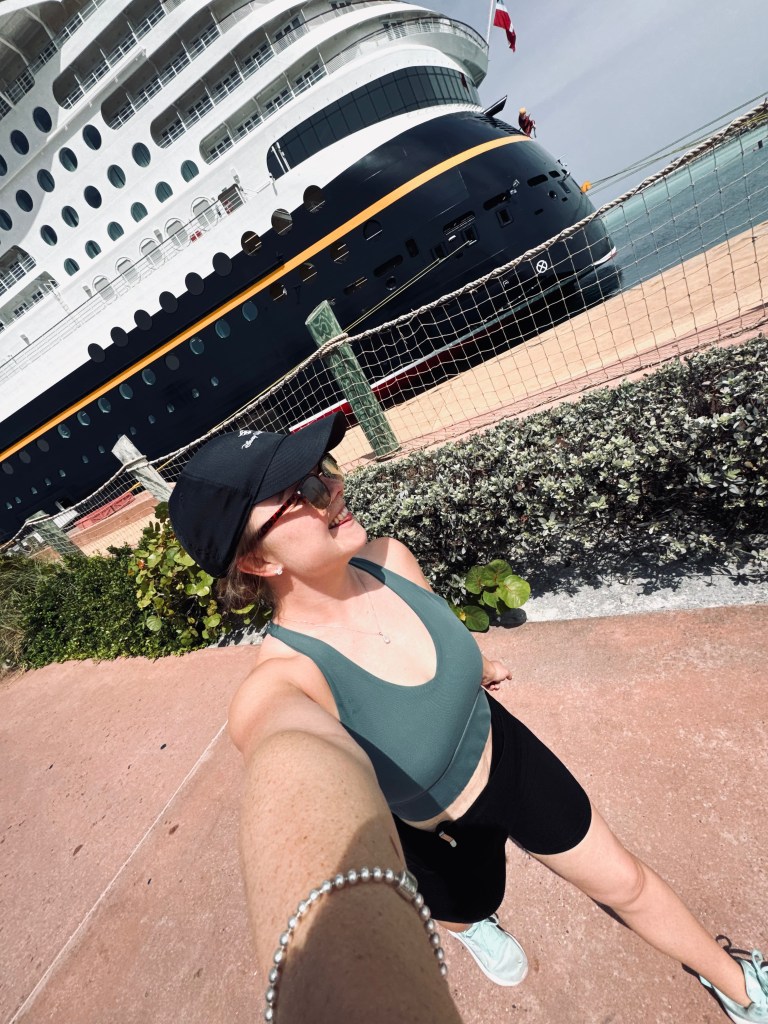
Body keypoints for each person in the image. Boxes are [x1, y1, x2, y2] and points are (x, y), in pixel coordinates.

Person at [168, 412, 767, 1024]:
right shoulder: (283, 683)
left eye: (323, 469)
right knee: (468, 906)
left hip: (507, 754)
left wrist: (477, 664)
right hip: (438, 834)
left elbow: (438, 634)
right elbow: (283, 764)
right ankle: (469, 926)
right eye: (305, 492)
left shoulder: (390, 559)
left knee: (626, 883)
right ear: (257, 562)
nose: (334, 487)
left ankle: (741, 989)